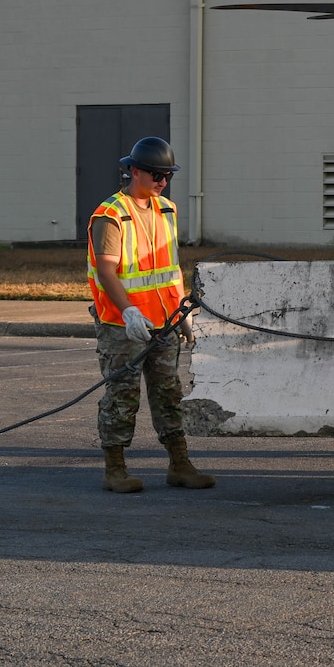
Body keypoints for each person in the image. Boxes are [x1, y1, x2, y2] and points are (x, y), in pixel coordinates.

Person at [86, 136, 214, 494]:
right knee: (122, 395)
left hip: (163, 322)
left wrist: (180, 312)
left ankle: (180, 464)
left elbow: (170, 268)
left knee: (168, 393)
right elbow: (107, 271)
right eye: (156, 175)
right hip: (121, 325)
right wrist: (128, 311)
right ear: (134, 171)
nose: (162, 182)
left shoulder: (167, 211)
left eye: (167, 175)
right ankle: (115, 468)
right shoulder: (111, 215)